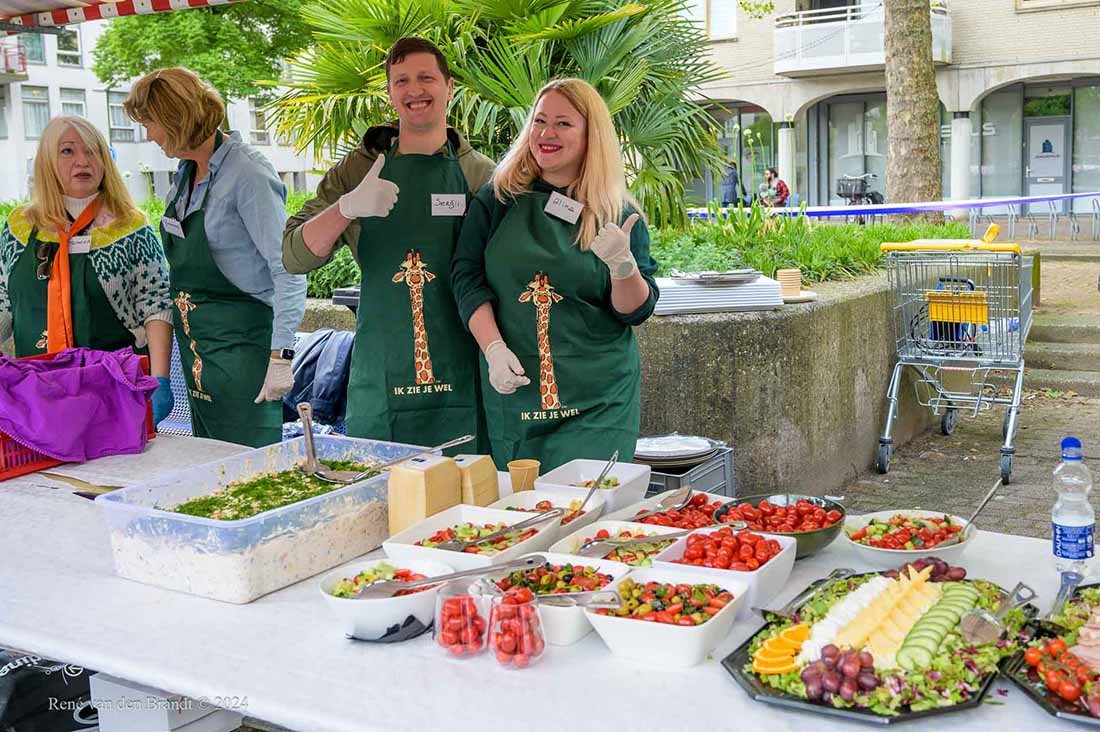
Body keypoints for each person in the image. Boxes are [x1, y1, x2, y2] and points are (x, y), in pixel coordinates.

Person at [283, 37, 495, 448]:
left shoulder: (479, 174)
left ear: (450, 88)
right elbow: (293, 255)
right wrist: (347, 207)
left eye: (426, 78)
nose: (414, 90)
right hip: (383, 376)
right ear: (390, 92)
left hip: (465, 372)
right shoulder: (357, 169)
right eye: (402, 81)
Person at [452, 78, 659, 471]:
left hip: (598, 400)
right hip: (517, 394)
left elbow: (635, 310)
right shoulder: (498, 199)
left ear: (590, 135)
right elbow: (466, 276)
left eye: (564, 123)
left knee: (583, 511)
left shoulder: (617, 214)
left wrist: (623, 266)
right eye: (540, 120)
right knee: (524, 514)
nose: (547, 133)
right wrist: (493, 349)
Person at [124, 68, 306, 447]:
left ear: (176, 118)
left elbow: (289, 268)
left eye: (151, 123)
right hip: (200, 358)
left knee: (252, 477)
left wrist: (281, 357)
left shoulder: (248, 174)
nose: (149, 135)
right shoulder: (186, 171)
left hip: (245, 359)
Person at [0, 116, 175, 424]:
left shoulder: (131, 228)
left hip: (115, 394)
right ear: (47, 163)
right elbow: (3, 305)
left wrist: (160, 379)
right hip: (35, 396)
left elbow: (157, 307)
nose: (83, 161)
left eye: (92, 151)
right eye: (68, 151)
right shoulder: (18, 227)